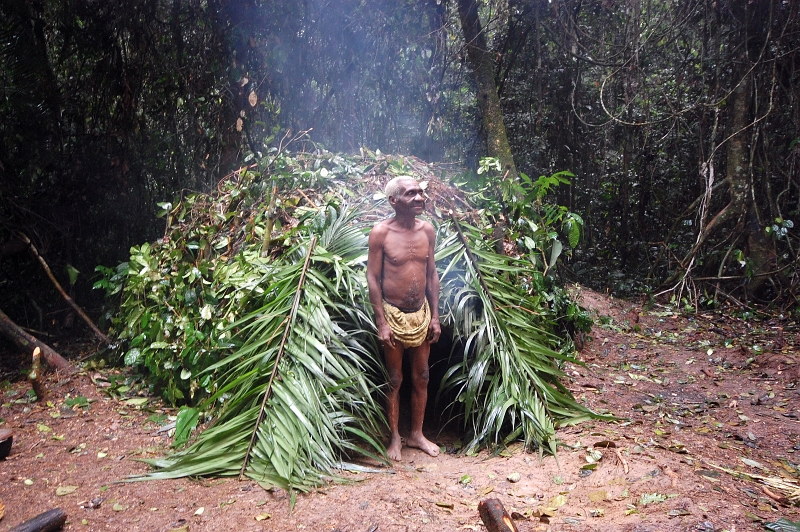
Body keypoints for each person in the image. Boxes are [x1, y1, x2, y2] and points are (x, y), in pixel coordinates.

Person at [367, 176, 441, 461]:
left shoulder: (427, 231)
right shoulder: (381, 233)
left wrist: (435, 316)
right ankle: (394, 437)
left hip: (421, 314)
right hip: (393, 315)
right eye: (412, 194)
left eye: (421, 192)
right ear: (394, 201)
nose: (420, 198)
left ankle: (417, 434)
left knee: (421, 376)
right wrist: (381, 322)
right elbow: (373, 278)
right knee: (394, 378)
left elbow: (432, 273)